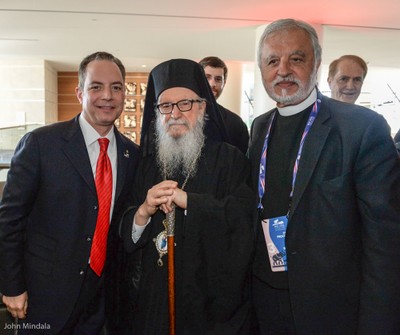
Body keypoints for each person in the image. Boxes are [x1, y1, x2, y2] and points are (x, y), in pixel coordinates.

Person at [248, 18, 400, 334]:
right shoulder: (260, 127)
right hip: (265, 301)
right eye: (272, 61)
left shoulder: (361, 127)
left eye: (297, 58)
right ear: (261, 68)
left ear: (316, 64)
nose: (283, 69)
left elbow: (384, 243)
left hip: (330, 310)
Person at [0, 51, 139, 334]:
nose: (107, 96)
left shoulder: (133, 155)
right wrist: (11, 286)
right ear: (79, 93)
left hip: (104, 301)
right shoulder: (41, 144)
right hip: (43, 298)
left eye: (116, 87)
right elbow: (9, 220)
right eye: (96, 86)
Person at [118, 59, 255, 334]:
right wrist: (143, 212)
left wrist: (190, 202)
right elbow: (125, 231)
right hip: (154, 301)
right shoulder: (146, 164)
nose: (175, 113)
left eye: (185, 104)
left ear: (203, 107)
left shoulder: (230, 159)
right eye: (165, 106)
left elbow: (244, 218)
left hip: (208, 302)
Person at [199, 56, 249, 154]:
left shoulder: (236, 123)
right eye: (207, 77)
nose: (212, 84)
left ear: (224, 83)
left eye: (218, 79)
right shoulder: (181, 116)